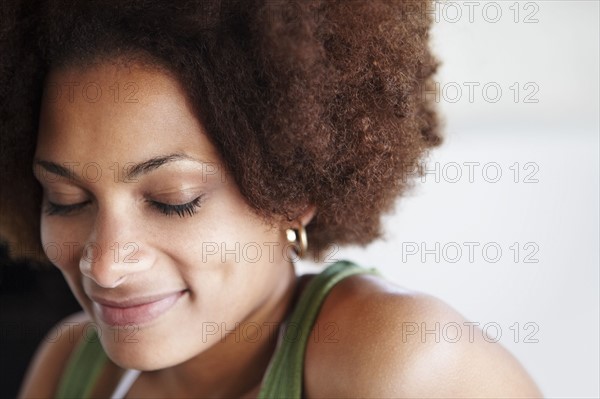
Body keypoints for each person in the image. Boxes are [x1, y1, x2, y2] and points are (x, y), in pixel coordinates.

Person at [1, 1, 542, 397]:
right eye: (66, 199)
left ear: (293, 190)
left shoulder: (398, 359)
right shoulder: (71, 366)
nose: (106, 265)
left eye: (174, 200)